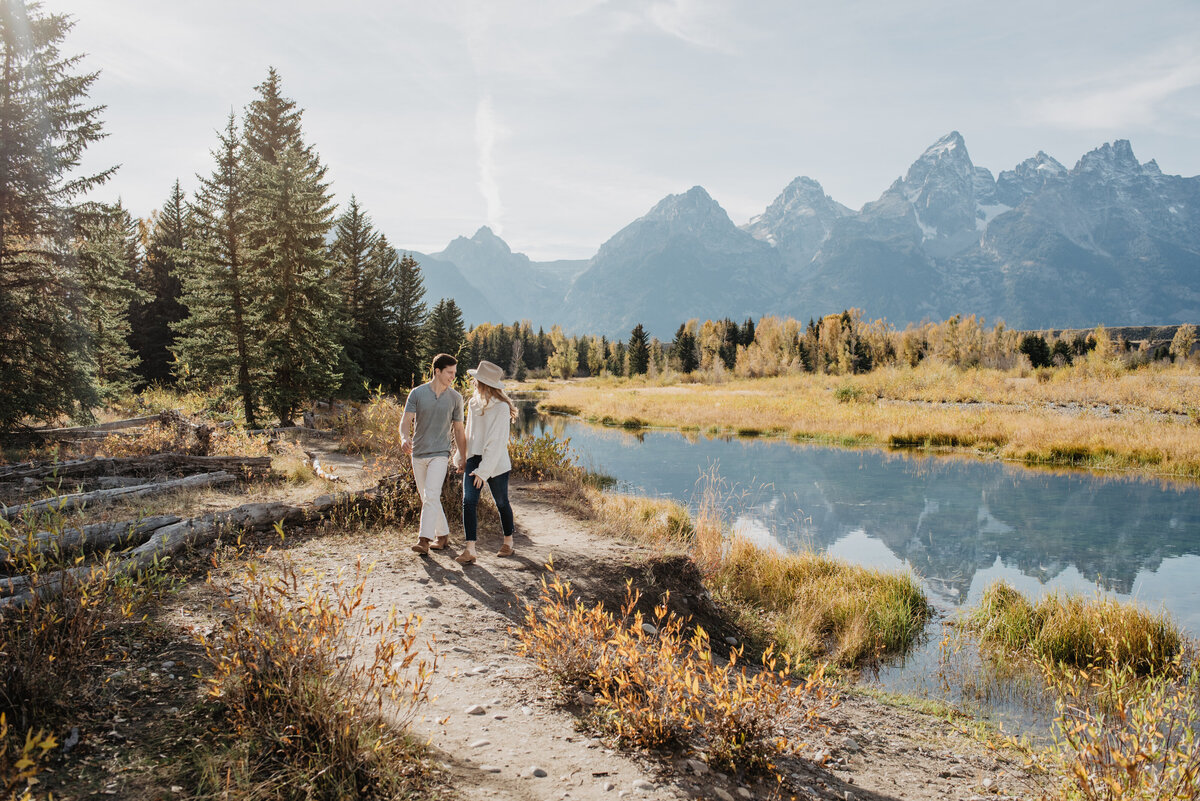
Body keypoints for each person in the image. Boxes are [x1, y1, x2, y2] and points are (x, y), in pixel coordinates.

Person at [400, 353, 466, 555]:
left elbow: (459, 430)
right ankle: (443, 535)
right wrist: (403, 438)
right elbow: (405, 422)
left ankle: (424, 540)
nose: (453, 377)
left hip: (440, 453)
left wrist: (463, 457)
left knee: (431, 495)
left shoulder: (456, 398)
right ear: (437, 371)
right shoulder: (417, 393)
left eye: (454, 373)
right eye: (449, 372)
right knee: (427, 497)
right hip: (418, 453)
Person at [453, 360, 517, 564]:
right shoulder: (473, 403)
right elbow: (470, 433)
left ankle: (508, 541)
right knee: (468, 501)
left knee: (501, 502)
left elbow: (496, 443)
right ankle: (470, 549)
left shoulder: (501, 408)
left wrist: (483, 471)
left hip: (495, 462)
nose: (473, 382)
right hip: (474, 457)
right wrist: (461, 458)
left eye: (476, 380)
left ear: (483, 383)